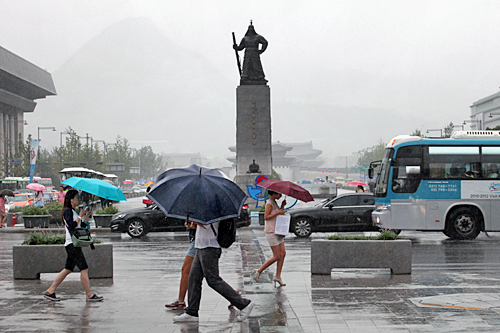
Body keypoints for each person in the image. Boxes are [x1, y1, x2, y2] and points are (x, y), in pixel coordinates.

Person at [173, 219, 254, 323]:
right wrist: (192, 225)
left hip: (210, 246)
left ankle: (243, 304)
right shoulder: (204, 207)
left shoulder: (213, 207)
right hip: (200, 245)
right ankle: (192, 312)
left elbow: (207, 224)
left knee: (213, 280)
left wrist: (195, 222)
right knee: (194, 279)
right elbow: (201, 226)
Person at [43, 189, 103, 302]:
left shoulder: (73, 211)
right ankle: (89, 294)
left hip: (74, 244)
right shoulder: (67, 211)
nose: (78, 200)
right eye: (76, 198)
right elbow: (71, 226)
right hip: (72, 244)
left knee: (68, 269)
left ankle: (50, 291)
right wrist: (80, 216)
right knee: (84, 268)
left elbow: (81, 226)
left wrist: (86, 217)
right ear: (71, 200)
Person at [252, 190, 287, 287]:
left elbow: (278, 213)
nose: (280, 195)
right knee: (277, 256)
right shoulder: (269, 203)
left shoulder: (275, 202)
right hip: (271, 232)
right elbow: (266, 217)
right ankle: (259, 271)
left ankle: (278, 276)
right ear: (274, 194)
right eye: (279, 194)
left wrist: (282, 207)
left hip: (278, 231)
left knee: (283, 253)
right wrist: (278, 212)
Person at [165, 220, 197, 309]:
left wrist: (195, 225)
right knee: (211, 276)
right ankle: (233, 295)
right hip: (197, 241)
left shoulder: (204, 207)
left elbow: (206, 225)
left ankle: (181, 301)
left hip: (199, 243)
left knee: (186, 271)